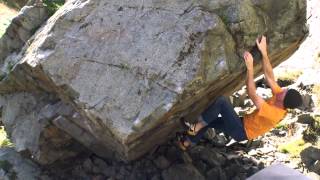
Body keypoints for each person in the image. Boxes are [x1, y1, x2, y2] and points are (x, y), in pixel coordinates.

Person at [178, 36, 303, 150]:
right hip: (243, 123)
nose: (284, 89)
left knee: (222, 102)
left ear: (283, 99)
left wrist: (250, 68)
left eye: (286, 92)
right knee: (210, 119)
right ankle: (187, 143)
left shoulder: (274, 114)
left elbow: (252, 93)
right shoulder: (280, 97)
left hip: (241, 131)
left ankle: (195, 127)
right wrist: (264, 52)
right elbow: (269, 77)